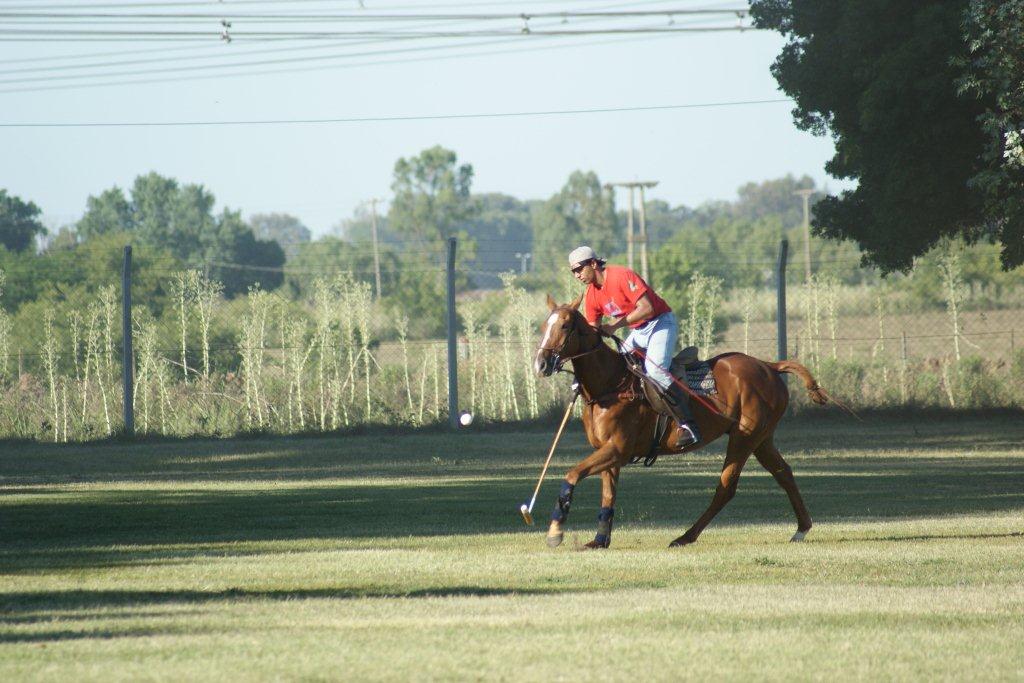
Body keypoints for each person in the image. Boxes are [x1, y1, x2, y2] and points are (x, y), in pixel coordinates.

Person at [568, 245, 700, 448]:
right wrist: (580, 367)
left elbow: (647, 309)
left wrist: (614, 326)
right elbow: (592, 335)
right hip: (639, 332)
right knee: (618, 367)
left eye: (579, 269)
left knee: (655, 371)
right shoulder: (592, 295)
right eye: (573, 272)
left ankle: (688, 424)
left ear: (593, 263)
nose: (577, 275)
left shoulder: (621, 275)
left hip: (660, 322)